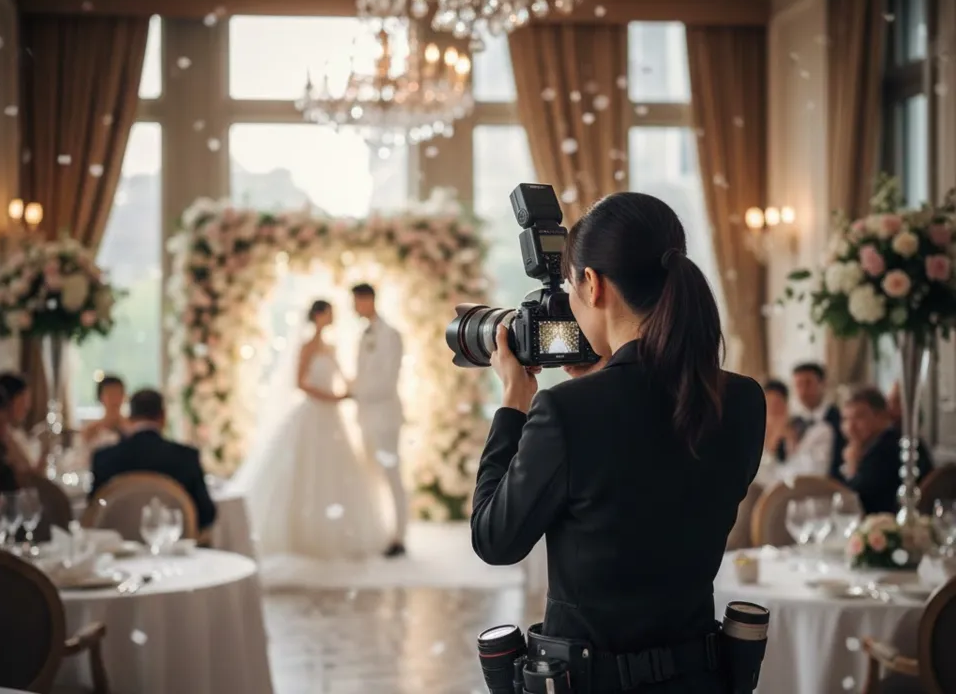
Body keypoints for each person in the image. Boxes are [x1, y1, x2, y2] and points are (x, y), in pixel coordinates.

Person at [472, 192, 766, 692]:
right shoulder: (742, 400)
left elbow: (494, 539)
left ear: (592, 283)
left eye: (570, 286)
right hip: (699, 677)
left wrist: (513, 406)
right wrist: (604, 380)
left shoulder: (567, 410)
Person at [234, 300, 387, 559]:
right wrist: (331, 398)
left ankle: (336, 535)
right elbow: (300, 382)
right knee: (305, 470)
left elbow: (344, 378)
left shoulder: (330, 347)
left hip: (332, 416)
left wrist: (353, 390)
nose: (332, 318)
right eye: (328, 313)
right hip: (314, 412)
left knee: (334, 474)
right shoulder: (307, 346)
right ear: (317, 315)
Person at [91, 389, 217, 532]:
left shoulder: (104, 458)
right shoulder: (186, 457)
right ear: (163, 417)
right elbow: (206, 514)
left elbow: (94, 511)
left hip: (116, 550)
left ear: (130, 418)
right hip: (173, 549)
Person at [350, 283, 407, 558]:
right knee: (370, 475)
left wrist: (353, 392)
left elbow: (386, 381)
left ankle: (399, 536)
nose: (354, 307)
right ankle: (379, 532)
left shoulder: (390, 335)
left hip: (385, 417)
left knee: (391, 475)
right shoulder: (363, 334)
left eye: (356, 301)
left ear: (368, 299)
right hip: (366, 417)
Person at [840, 386, 934, 515]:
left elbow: (858, 504)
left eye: (859, 417)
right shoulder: (877, 444)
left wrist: (852, 469)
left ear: (881, 416)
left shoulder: (889, 447)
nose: (850, 427)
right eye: (846, 419)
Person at [791, 362, 845, 481]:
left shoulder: (839, 420)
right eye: (798, 385)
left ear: (823, 384)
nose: (803, 390)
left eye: (808, 383)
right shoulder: (795, 422)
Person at [0, 372, 40, 471]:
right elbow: (28, 473)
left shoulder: (14, 433)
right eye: (23, 400)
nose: (27, 407)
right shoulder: (6, 435)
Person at [82, 375, 129, 451]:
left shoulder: (131, 428)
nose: (114, 399)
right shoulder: (91, 431)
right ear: (100, 397)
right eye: (110, 394)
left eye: (118, 393)